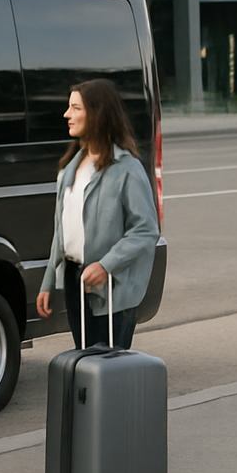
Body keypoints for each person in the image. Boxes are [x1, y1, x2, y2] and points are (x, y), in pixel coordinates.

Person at [35, 79, 160, 350]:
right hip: (74, 278)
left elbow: (146, 229)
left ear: (97, 113)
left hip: (112, 287)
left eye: (75, 108)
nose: (67, 115)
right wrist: (47, 283)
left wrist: (105, 265)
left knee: (109, 373)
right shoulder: (71, 166)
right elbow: (62, 229)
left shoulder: (127, 168)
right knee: (86, 367)